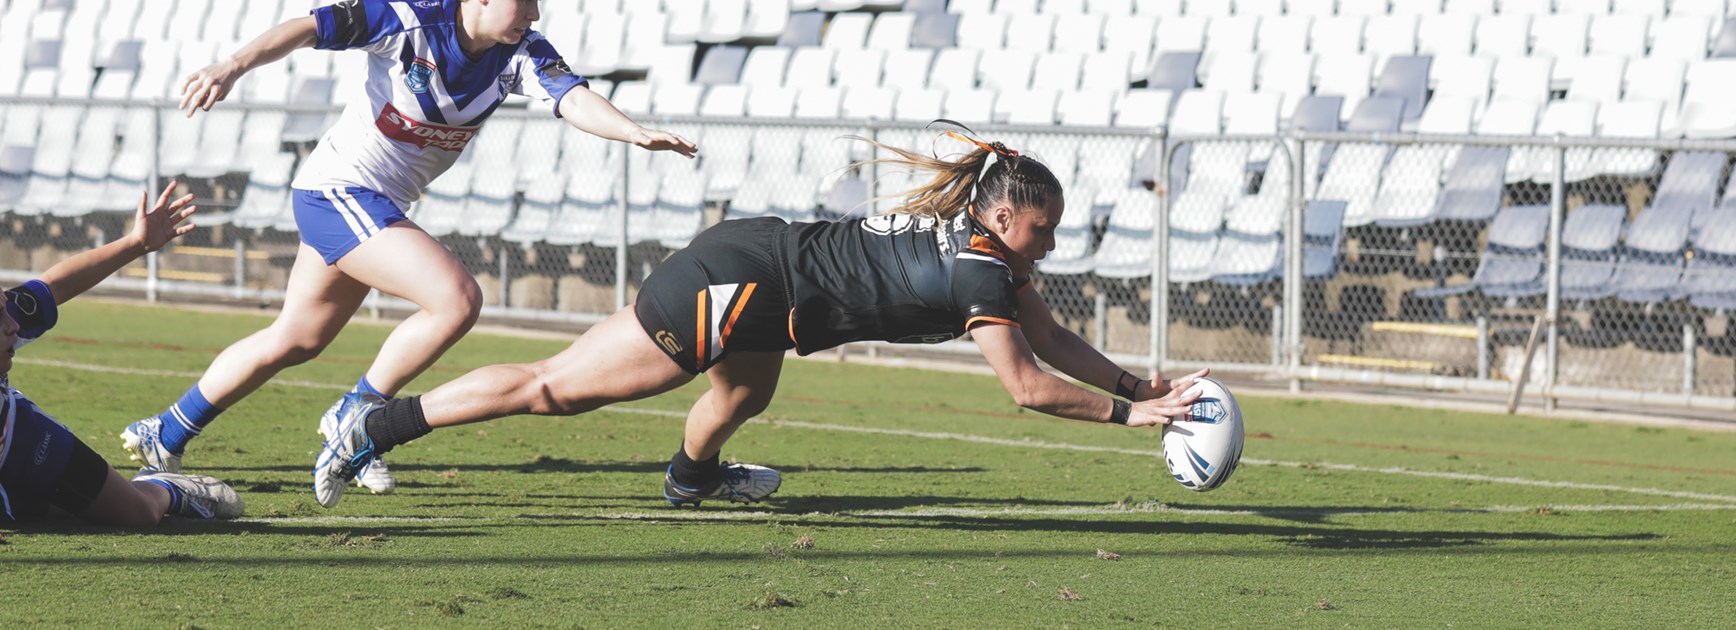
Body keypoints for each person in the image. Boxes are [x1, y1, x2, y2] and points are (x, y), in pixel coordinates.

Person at [307, 130, 1210, 509]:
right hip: (741, 282)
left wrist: (1142, 383)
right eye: (1040, 232)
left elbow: (1048, 339)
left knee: (743, 394)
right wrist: (1134, 418)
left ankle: (690, 480)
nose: (1046, 248)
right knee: (554, 390)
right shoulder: (984, 266)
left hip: (766, 281)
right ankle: (369, 427)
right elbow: (1025, 385)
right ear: (1004, 220)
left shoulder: (985, 247)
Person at [122, 0, 697, 496]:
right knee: (456, 299)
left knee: (295, 338)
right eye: (523, 0)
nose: (535, 12)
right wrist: (234, 64)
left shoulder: (522, 52)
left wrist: (633, 131)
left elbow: (572, 98)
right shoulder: (409, 17)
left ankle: (166, 432)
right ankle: (356, 415)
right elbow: (310, 25)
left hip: (372, 206)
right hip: (338, 192)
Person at [2, 184, 243, 525]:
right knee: (30, 513)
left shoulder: (10, 322)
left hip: (21, 439)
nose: (13, 325)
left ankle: (165, 487)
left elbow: (53, 286)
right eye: (0, 318)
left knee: (139, 514)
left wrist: (136, 243)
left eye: (5, 311)